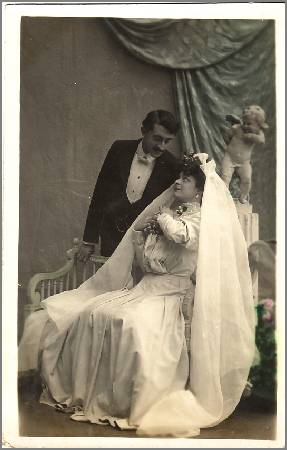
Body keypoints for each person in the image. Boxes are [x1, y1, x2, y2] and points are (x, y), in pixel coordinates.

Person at [18, 153, 255, 438]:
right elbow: (146, 265)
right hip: (146, 289)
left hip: (171, 295)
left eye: (186, 179)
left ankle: (127, 401)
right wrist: (142, 244)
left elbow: (184, 237)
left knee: (130, 324)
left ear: (200, 190)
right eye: (179, 177)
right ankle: (91, 395)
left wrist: (163, 218)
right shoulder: (170, 215)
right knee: (96, 312)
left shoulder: (200, 220)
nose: (178, 182)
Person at [79, 109, 180, 259]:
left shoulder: (172, 165)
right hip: (110, 237)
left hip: (145, 243)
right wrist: (89, 240)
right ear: (143, 131)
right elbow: (100, 194)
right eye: (157, 139)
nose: (162, 146)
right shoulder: (119, 149)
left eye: (167, 141)